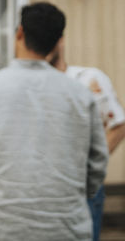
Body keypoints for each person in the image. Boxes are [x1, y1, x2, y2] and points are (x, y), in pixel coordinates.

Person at [0, 2, 109, 240]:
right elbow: (97, 162)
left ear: (19, 33)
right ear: (58, 41)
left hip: (5, 226)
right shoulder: (81, 95)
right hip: (68, 227)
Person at [48, 38, 125, 241]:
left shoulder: (88, 79)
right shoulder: (21, 86)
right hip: (42, 188)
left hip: (83, 188)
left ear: (61, 40)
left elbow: (118, 124)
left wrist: (89, 167)